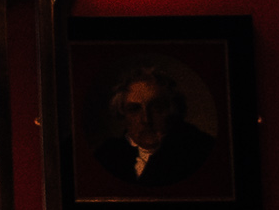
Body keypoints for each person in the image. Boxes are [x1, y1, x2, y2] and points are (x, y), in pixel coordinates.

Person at [94, 59, 223, 196]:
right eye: (134, 109)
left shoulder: (200, 149)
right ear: (122, 113)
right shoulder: (107, 155)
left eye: (156, 107)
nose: (146, 119)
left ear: (173, 109)